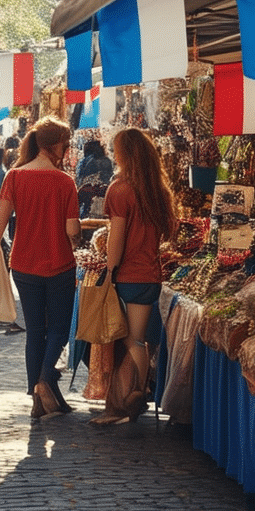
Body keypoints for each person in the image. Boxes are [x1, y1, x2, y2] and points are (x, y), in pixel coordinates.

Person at [0, 117, 79, 419]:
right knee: (59, 330)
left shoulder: (14, 176)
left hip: (24, 264)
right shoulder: (65, 182)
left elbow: (0, 220)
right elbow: (72, 230)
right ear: (55, 146)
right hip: (59, 264)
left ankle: (38, 394)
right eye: (65, 146)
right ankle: (45, 382)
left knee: (35, 331)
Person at [96, 127, 177, 424]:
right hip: (150, 275)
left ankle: (132, 395)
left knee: (126, 342)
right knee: (138, 340)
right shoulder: (156, 190)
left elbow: (116, 238)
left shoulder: (120, 190)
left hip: (127, 274)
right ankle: (134, 394)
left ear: (123, 154)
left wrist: (110, 269)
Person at [75, 138, 115, 218]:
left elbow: (79, 180)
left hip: (87, 195)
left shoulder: (83, 161)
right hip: (103, 195)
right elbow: (109, 178)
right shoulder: (107, 161)